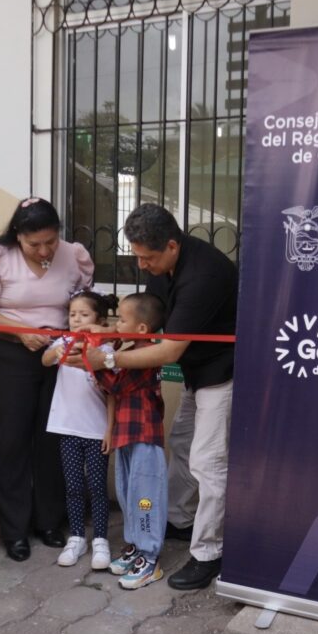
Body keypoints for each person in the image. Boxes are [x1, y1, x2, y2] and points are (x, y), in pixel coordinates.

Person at [81, 204, 237, 591]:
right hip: (196, 373)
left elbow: (167, 351)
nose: (142, 266)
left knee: (207, 462)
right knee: (182, 444)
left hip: (224, 373)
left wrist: (109, 358)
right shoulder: (160, 268)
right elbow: (146, 326)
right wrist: (104, 335)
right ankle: (180, 521)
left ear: (171, 245)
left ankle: (209, 553)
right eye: (137, 256)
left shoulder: (204, 274)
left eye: (147, 258)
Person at [0, 197, 95, 562]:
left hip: (59, 356)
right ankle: (15, 530)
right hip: (13, 355)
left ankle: (49, 521)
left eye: (50, 241)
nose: (43, 250)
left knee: (53, 438)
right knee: (13, 439)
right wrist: (21, 331)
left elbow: (83, 305)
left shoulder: (74, 255)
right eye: (33, 244)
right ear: (17, 236)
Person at [93, 293, 169, 590]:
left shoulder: (146, 355)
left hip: (144, 437)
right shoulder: (129, 350)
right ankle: (137, 545)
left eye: (122, 320)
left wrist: (95, 362)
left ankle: (150, 558)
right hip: (127, 435)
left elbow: (116, 385)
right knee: (127, 493)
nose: (117, 325)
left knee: (145, 496)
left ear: (141, 328)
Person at [42, 289, 118, 569]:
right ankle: (77, 538)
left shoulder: (105, 351)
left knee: (97, 487)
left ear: (99, 320)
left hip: (96, 431)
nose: (76, 319)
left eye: (84, 314)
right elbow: (45, 360)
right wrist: (57, 351)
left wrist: (110, 430)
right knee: (73, 487)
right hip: (68, 429)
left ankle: (100, 539)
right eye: (73, 314)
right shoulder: (63, 342)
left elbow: (112, 395)